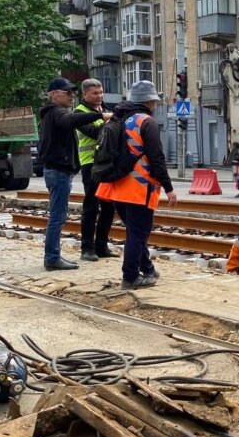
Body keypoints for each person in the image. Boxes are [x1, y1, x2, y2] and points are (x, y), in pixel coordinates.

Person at [97, 81, 176, 289]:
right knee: (137, 234)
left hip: (115, 186)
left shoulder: (117, 117)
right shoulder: (145, 121)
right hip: (138, 188)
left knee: (135, 232)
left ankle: (147, 268)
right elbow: (156, 157)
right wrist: (169, 188)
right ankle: (130, 277)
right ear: (150, 101)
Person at [38, 77, 112, 271]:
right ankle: (53, 258)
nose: (72, 95)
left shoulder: (53, 114)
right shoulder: (56, 113)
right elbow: (70, 120)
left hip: (60, 171)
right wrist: (100, 117)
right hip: (59, 171)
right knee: (58, 216)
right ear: (53, 95)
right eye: (67, 92)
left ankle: (54, 256)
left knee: (59, 215)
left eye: (72, 91)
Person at [75, 78, 116, 262]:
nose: (99, 96)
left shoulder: (105, 109)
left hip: (107, 163)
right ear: (85, 94)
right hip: (90, 164)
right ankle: (87, 249)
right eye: (95, 93)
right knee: (91, 207)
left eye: (101, 92)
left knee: (109, 207)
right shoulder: (79, 112)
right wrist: (108, 124)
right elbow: (93, 132)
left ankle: (101, 246)